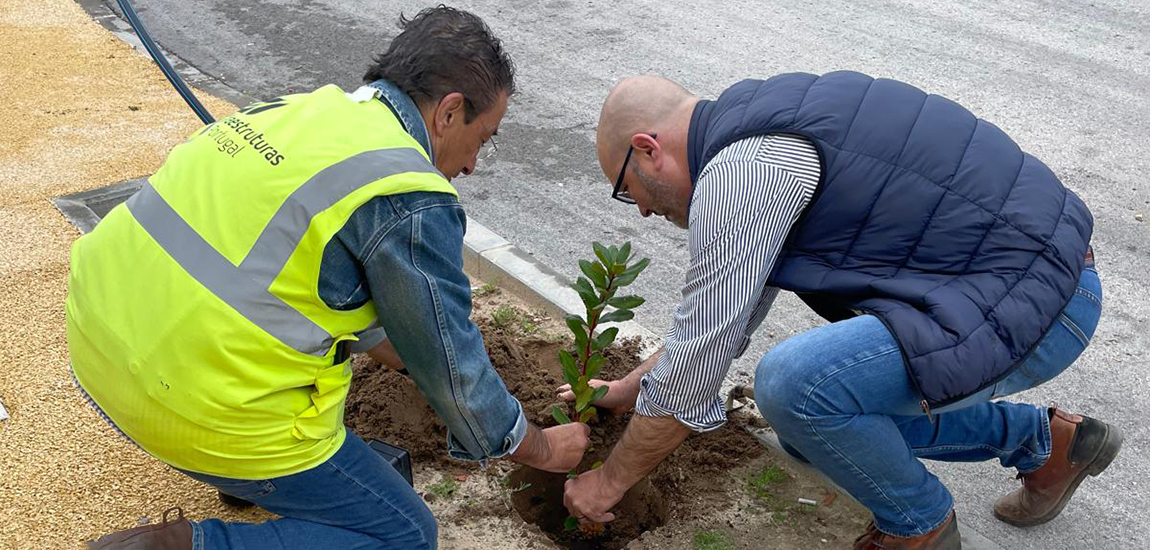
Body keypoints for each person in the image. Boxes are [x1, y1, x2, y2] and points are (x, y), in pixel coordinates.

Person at [72, 7, 590, 550]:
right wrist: (539, 447)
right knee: (405, 534)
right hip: (189, 402)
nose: (472, 165)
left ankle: (247, 477)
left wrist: (421, 345)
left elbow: (297, 282)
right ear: (450, 112)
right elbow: (451, 371)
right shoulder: (407, 193)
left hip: (98, 347)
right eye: (484, 138)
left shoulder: (302, 113)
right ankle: (182, 545)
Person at [563, 72, 1122, 549]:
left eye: (624, 186)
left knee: (797, 388)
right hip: (1030, 278)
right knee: (812, 427)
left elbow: (699, 360)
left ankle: (918, 525)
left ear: (647, 148)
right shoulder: (757, 124)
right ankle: (1047, 444)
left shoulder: (737, 176)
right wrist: (636, 387)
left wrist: (606, 485)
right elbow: (722, 319)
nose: (638, 209)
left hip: (1038, 302)